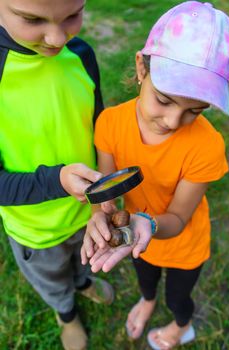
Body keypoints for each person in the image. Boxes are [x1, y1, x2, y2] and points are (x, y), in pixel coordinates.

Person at [81, 1, 229, 349]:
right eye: (164, 101)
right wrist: (98, 217)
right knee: (145, 279)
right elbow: (107, 192)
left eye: (194, 111)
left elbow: (179, 217)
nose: (173, 121)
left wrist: (147, 225)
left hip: (183, 246)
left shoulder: (206, 146)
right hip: (137, 235)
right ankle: (147, 300)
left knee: (177, 299)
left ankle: (182, 326)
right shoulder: (110, 123)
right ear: (140, 67)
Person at [0, 1, 115, 350]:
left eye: (72, 15)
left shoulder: (81, 54)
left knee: (85, 259)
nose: (57, 37)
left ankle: (83, 285)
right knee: (51, 277)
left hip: (88, 212)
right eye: (33, 19)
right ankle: (66, 314)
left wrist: (102, 200)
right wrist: (57, 181)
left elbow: (99, 126)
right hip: (35, 228)